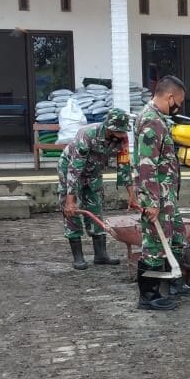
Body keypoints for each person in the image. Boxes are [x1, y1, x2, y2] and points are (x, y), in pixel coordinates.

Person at [134, 75, 190, 311]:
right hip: (157, 198)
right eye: (178, 102)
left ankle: (175, 284)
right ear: (170, 97)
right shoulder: (151, 121)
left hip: (166, 196)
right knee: (153, 245)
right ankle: (148, 296)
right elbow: (146, 164)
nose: (179, 107)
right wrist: (151, 201)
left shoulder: (158, 120)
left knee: (175, 238)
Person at [58, 108, 134, 271]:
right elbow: (75, 168)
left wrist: (132, 196)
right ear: (109, 127)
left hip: (93, 172)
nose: (122, 135)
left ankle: (101, 255)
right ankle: (78, 257)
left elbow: (125, 166)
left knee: (95, 207)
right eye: (118, 131)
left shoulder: (122, 139)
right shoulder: (87, 134)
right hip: (70, 170)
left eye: (123, 131)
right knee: (71, 211)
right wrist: (70, 200)